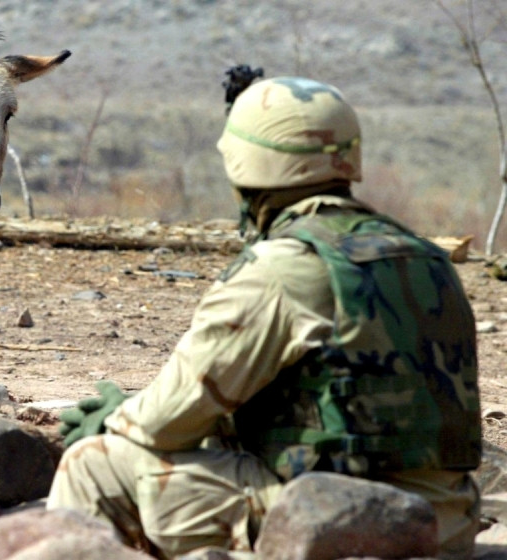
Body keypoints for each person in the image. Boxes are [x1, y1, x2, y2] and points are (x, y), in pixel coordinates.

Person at [46, 75, 482, 559]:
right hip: (444, 522)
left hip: (337, 522)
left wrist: (117, 416)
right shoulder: (429, 260)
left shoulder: (281, 268)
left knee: (94, 464)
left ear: (245, 165)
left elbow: (165, 421)